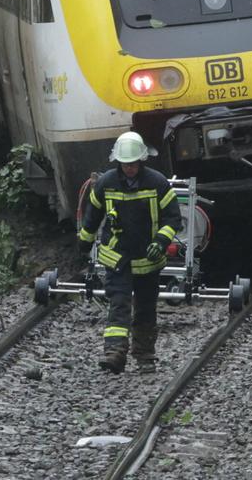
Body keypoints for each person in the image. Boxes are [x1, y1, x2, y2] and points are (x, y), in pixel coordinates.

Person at [77, 131, 181, 374]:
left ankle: (145, 354)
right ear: (118, 162)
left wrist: (160, 242)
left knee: (145, 307)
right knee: (119, 303)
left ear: (141, 160)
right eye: (125, 164)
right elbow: (92, 217)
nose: (130, 168)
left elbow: (173, 218)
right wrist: (84, 242)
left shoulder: (157, 183)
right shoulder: (105, 183)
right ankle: (114, 352)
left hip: (148, 259)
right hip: (117, 258)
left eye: (133, 164)